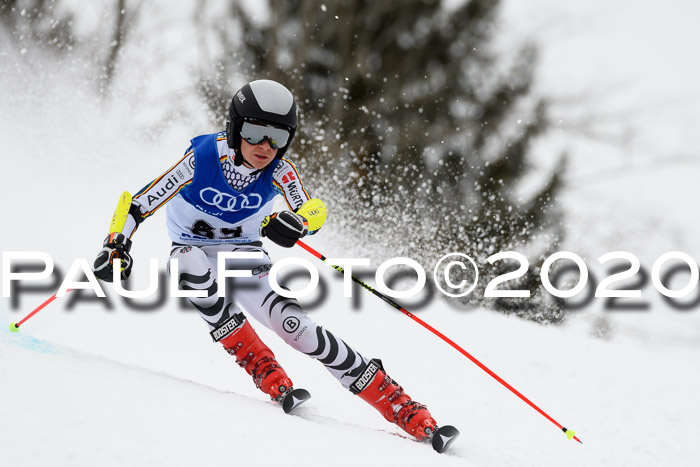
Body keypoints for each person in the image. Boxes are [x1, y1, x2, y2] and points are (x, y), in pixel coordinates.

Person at [93, 79, 440, 441]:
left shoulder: (280, 170)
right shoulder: (202, 159)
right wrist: (116, 243)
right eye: (255, 132)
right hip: (190, 246)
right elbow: (137, 203)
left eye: (278, 136)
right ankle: (261, 364)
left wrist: (298, 222)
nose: (265, 146)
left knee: (296, 329)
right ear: (234, 128)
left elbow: (314, 209)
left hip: (243, 253)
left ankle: (396, 402)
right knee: (188, 265)